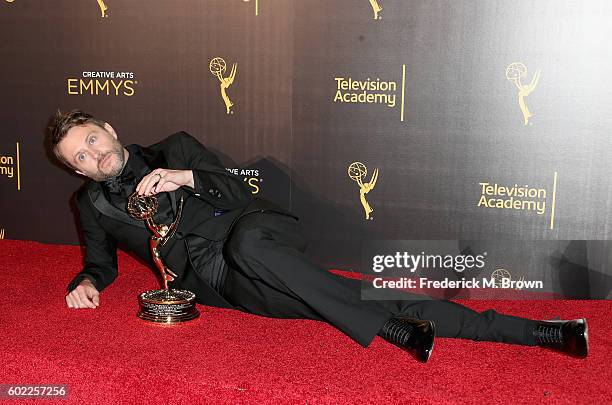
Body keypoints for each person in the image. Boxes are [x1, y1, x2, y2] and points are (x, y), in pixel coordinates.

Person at [48, 109, 589, 362]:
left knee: (251, 245)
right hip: (219, 283)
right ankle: (542, 334)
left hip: (253, 230)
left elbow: (241, 191)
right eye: (81, 157)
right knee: (340, 297)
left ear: (111, 130)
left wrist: (187, 177)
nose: (95, 155)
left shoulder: (176, 147)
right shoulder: (91, 204)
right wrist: (87, 281)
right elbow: (102, 262)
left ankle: (392, 331)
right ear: (78, 170)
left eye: (93, 139)